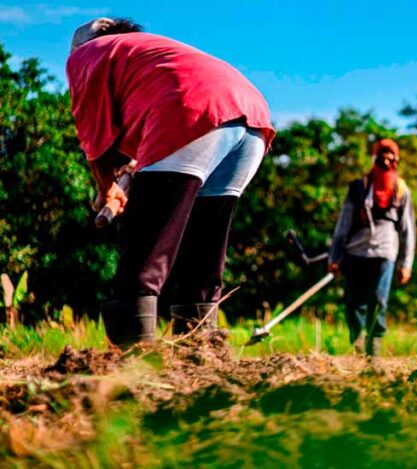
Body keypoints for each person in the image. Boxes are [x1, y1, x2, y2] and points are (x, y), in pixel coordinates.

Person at [66, 17, 274, 346]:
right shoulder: (146, 52)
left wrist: (106, 189)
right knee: (204, 242)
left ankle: (136, 354)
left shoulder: (88, 54)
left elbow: (94, 136)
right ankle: (200, 349)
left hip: (190, 110)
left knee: (145, 243)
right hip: (252, 119)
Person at [328, 139, 415, 358]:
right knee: (353, 301)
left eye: (390, 156)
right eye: (382, 155)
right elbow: (343, 225)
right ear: (374, 158)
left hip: (386, 250)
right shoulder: (358, 187)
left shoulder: (402, 190)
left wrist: (406, 264)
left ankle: (373, 350)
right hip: (355, 251)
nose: (386, 160)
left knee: (378, 299)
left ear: (396, 160)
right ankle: (357, 344)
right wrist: (335, 256)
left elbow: (407, 230)